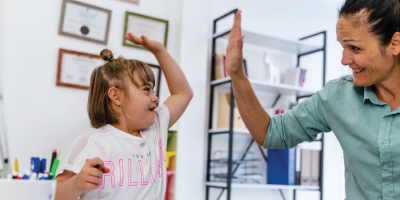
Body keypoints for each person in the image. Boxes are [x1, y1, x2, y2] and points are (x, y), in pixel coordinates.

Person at [225, 0, 400, 199]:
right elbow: (270, 133)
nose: (344, 60)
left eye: (355, 48)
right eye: (343, 46)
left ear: (395, 44)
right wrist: (237, 74)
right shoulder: (337, 96)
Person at [54, 33, 193, 200]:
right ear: (116, 97)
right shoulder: (94, 142)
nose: (155, 98)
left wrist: (159, 51)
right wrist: (76, 183)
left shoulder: (155, 128)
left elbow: (183, 93)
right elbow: (55, 194)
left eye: (153, 90)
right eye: (146, 89)